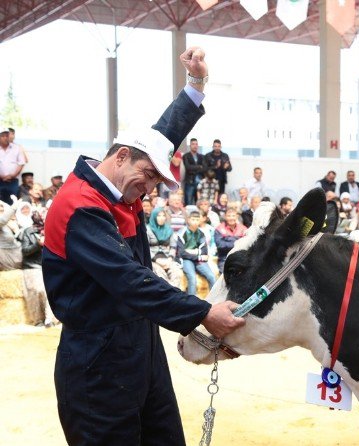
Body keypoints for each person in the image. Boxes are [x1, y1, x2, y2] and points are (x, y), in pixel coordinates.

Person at [42, 47, 245, 446]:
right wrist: (203, 313)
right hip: (98, 359)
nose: (150, 189)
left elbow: (159, 138)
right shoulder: (80, 207)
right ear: (120, 156)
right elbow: (130, 281)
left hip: (141, 345)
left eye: (155, 182)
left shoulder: (118, 185)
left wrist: (195, 85)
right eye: (149, 176)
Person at [177, 210, 217, 295]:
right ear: (188, 220)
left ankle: (214, 300)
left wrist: (191, 252)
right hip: (186, 260)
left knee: (212, 276)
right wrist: (198, 255)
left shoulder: (201, 233)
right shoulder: (182, 232)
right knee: (192, 278)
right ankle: (192, 304)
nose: (195, 222)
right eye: (193, 219)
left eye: (197, 220)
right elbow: (182, 253)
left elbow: (204, 251)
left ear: (200, 220)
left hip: (197, 259)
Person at [146, 208, 183, 289]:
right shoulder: (147, 230)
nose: (162, 218)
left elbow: (173, 247)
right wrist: (157, 260)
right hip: (153, 260)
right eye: (159, 216)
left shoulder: (169, 229)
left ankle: (175, 296)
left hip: (167, 258)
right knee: (160, 274)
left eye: (163, 216)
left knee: (177, 273)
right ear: (154, 216)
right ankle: (167, 297)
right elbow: (146, 248)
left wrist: (170, 259)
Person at [214, 208, 247, 273]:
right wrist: (237, 242)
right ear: (225, 217)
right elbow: (220, 245)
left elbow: (247, 243)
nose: (231, 218)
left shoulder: (243, 228)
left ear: (237, 216)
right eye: (229, 216)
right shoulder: (219, 228)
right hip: (224, 258)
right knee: (224, 278)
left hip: (240, 258)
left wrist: (228, 240)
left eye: (233, 216)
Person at [0, 128, 25, 204]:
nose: (5, 137)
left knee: (12, 202)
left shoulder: (16, 148)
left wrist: (12, 176)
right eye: (3, 136)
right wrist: (2, 177)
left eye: (7, 135)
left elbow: (21, 163)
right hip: (0, 180)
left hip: (13, 181)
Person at [0, 197, 22, 270]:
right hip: (4, 254)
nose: (1, 209)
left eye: (2, 206)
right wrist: (15, 205)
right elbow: (3, 220)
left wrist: (16, 229)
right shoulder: (3, 222)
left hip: (15, 251)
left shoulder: (12, 222)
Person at [182, 137, 204, 205]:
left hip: (200, 182)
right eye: (193, 144)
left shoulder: (201, 156)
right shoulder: (186, 156)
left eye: (196, 144)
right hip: (190, 182)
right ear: (190, 145)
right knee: (188, 201)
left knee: (199, 202)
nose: (195, 146)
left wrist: (195, 168)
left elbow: (204, 168)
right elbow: (188, 167)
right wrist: (199, 167)